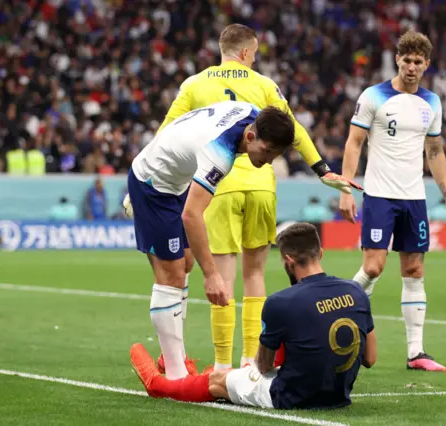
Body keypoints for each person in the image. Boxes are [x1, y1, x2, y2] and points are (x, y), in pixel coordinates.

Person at [155, 23, 362, 371]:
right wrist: (322, 169)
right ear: (248, 53)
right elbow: (293, 130)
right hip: (262, 186)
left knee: (223, 275)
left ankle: (222, 365)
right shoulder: (265, 85)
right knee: (255, 275)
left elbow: (167, 131)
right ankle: (251, 361)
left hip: (218, 183)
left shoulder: (195, 84)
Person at [125, 101, 295, 380]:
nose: (268, 160)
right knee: (172, 276)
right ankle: (177, 377)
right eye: (267, 151)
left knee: (186, 263)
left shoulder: (253, 113)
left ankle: (173, 359)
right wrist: (212, 275)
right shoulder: (220, 153)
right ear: (251, 137)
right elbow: (192, 216)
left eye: (275, 155)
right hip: (154, 187)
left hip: (177, 179)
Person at [129, 222, 377, 409]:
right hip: (339, 396)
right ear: (320, 253)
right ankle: (194, 376)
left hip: (289, 397)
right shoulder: (357, 292)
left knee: (218, 381)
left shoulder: (281, 302)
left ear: (288, 260)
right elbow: (370, 358)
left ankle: (158, 386)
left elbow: (264, 366)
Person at [339, 30, 446, 372]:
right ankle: (337, 306)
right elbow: (354, 143)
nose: (411, 67)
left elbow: (434, 150)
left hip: (414, 198)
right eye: (406, 60)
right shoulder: (374, 96)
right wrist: (347, 189)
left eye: (417, 62)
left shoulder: (431, 103)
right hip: (379, 194)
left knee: (414, 270)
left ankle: (416, 352)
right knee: (374, 267)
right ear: (397, 60)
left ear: (427, 65)